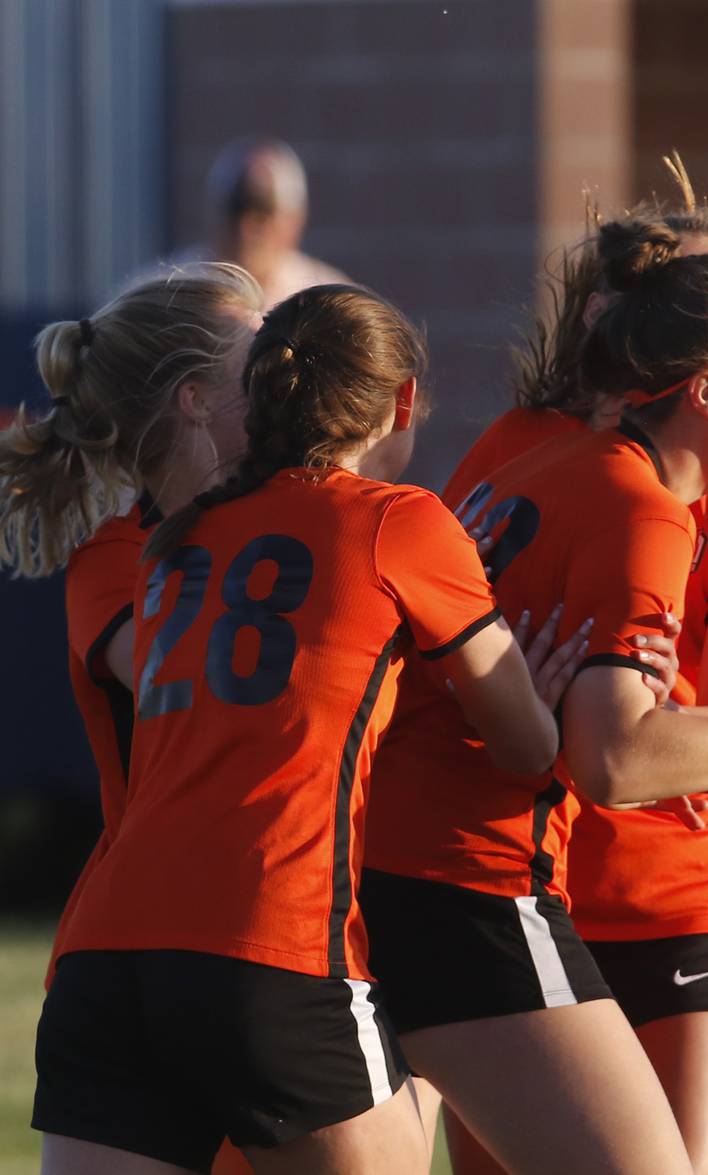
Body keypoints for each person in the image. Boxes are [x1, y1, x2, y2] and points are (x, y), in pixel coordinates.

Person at [360, 222, 708, 1175]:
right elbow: (615, 760)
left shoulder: (535, 451)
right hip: (474, 880)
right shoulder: (642, 504)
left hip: (403, 869)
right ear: (700, 388)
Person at [30, 284, 584, 1175]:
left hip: (114, 956)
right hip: (268, 938)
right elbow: (524, 747)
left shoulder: (175, 545)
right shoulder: (388, 520)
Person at [438, 173, 708, 1175]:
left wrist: (592, 706)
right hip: (522, 871)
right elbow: (445, 639)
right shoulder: (540, 455)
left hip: (671, 885)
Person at [0, 263, 264, 991]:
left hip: (255, 924)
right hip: (142, 943)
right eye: (259, 365)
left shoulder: (280, 519)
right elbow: (195, 675)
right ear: (195, 401)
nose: (285, 382)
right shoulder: (116, 555)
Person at [178, 138, 348, 308]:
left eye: (262, 214)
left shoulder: (326, 302)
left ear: (294, 221)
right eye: (235, 212)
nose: (245, 230)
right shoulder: (175, 293)